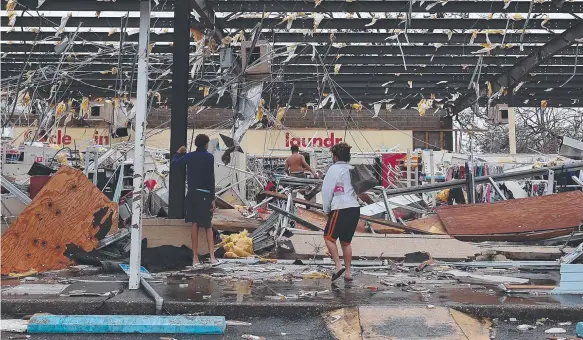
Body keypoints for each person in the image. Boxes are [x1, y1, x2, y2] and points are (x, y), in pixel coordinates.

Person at [171, 134, 219, 267]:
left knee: (195, 225)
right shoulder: (209, 157)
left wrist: (178, 153)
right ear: (206, 144)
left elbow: (175, 164)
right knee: (208, 226)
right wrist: (212, 198)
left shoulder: (189, 156)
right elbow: (211, 179)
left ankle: (195, 258)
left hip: (191, 194)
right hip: (204, 194)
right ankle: (212, 257)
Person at [321, 142, 360, 282]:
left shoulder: (333, 169)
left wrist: (326, 210)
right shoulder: (352, 169)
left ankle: (338, 266)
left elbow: (326, 191)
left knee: (328, 237)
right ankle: (348, 272)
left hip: (340, 207)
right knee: (346, 242)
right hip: (354, 208)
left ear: (335, 157)